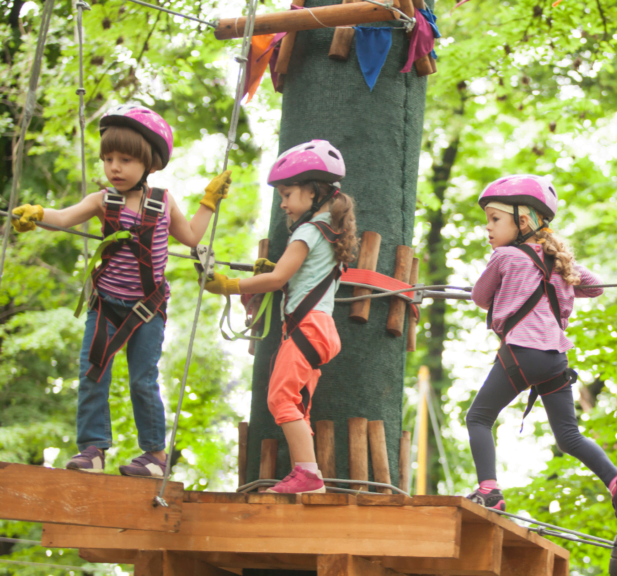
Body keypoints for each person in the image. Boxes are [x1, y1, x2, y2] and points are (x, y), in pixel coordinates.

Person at [10, 104, 232, 477]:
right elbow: (63, 218)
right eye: (109, 158)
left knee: (143, 379)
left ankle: (156, 458)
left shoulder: (163, 202)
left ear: (150, 165)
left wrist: (209, 203)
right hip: (106, 307)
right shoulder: (102, 201)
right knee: (92, 372)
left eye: (125, 159)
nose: (114, 167)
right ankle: (93, 450)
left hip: (147, 310)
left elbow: (192, 238)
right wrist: (37, 214)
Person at [466, 174, 617, 524]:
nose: (487, 228)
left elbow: (479, 297)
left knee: (478, 418)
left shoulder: (504, 257)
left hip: (521, 353)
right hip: (555, 360)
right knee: (568, 436)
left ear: (523, 221)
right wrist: (558, 274)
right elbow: (595, 288)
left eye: (494, 219)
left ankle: (489, 490)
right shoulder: (558, 264)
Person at [202, 139, 357, 494]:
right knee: (296, 403)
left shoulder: (306, 231)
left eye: (287, 194)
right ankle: (306, 472)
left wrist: (227, 284)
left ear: (314, 191)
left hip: (309, 327)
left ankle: (308, 475)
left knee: (280, 399)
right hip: (318, 329)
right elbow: (294, 275)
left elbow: (277, 279)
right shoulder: (327, 231)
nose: (283, 204)